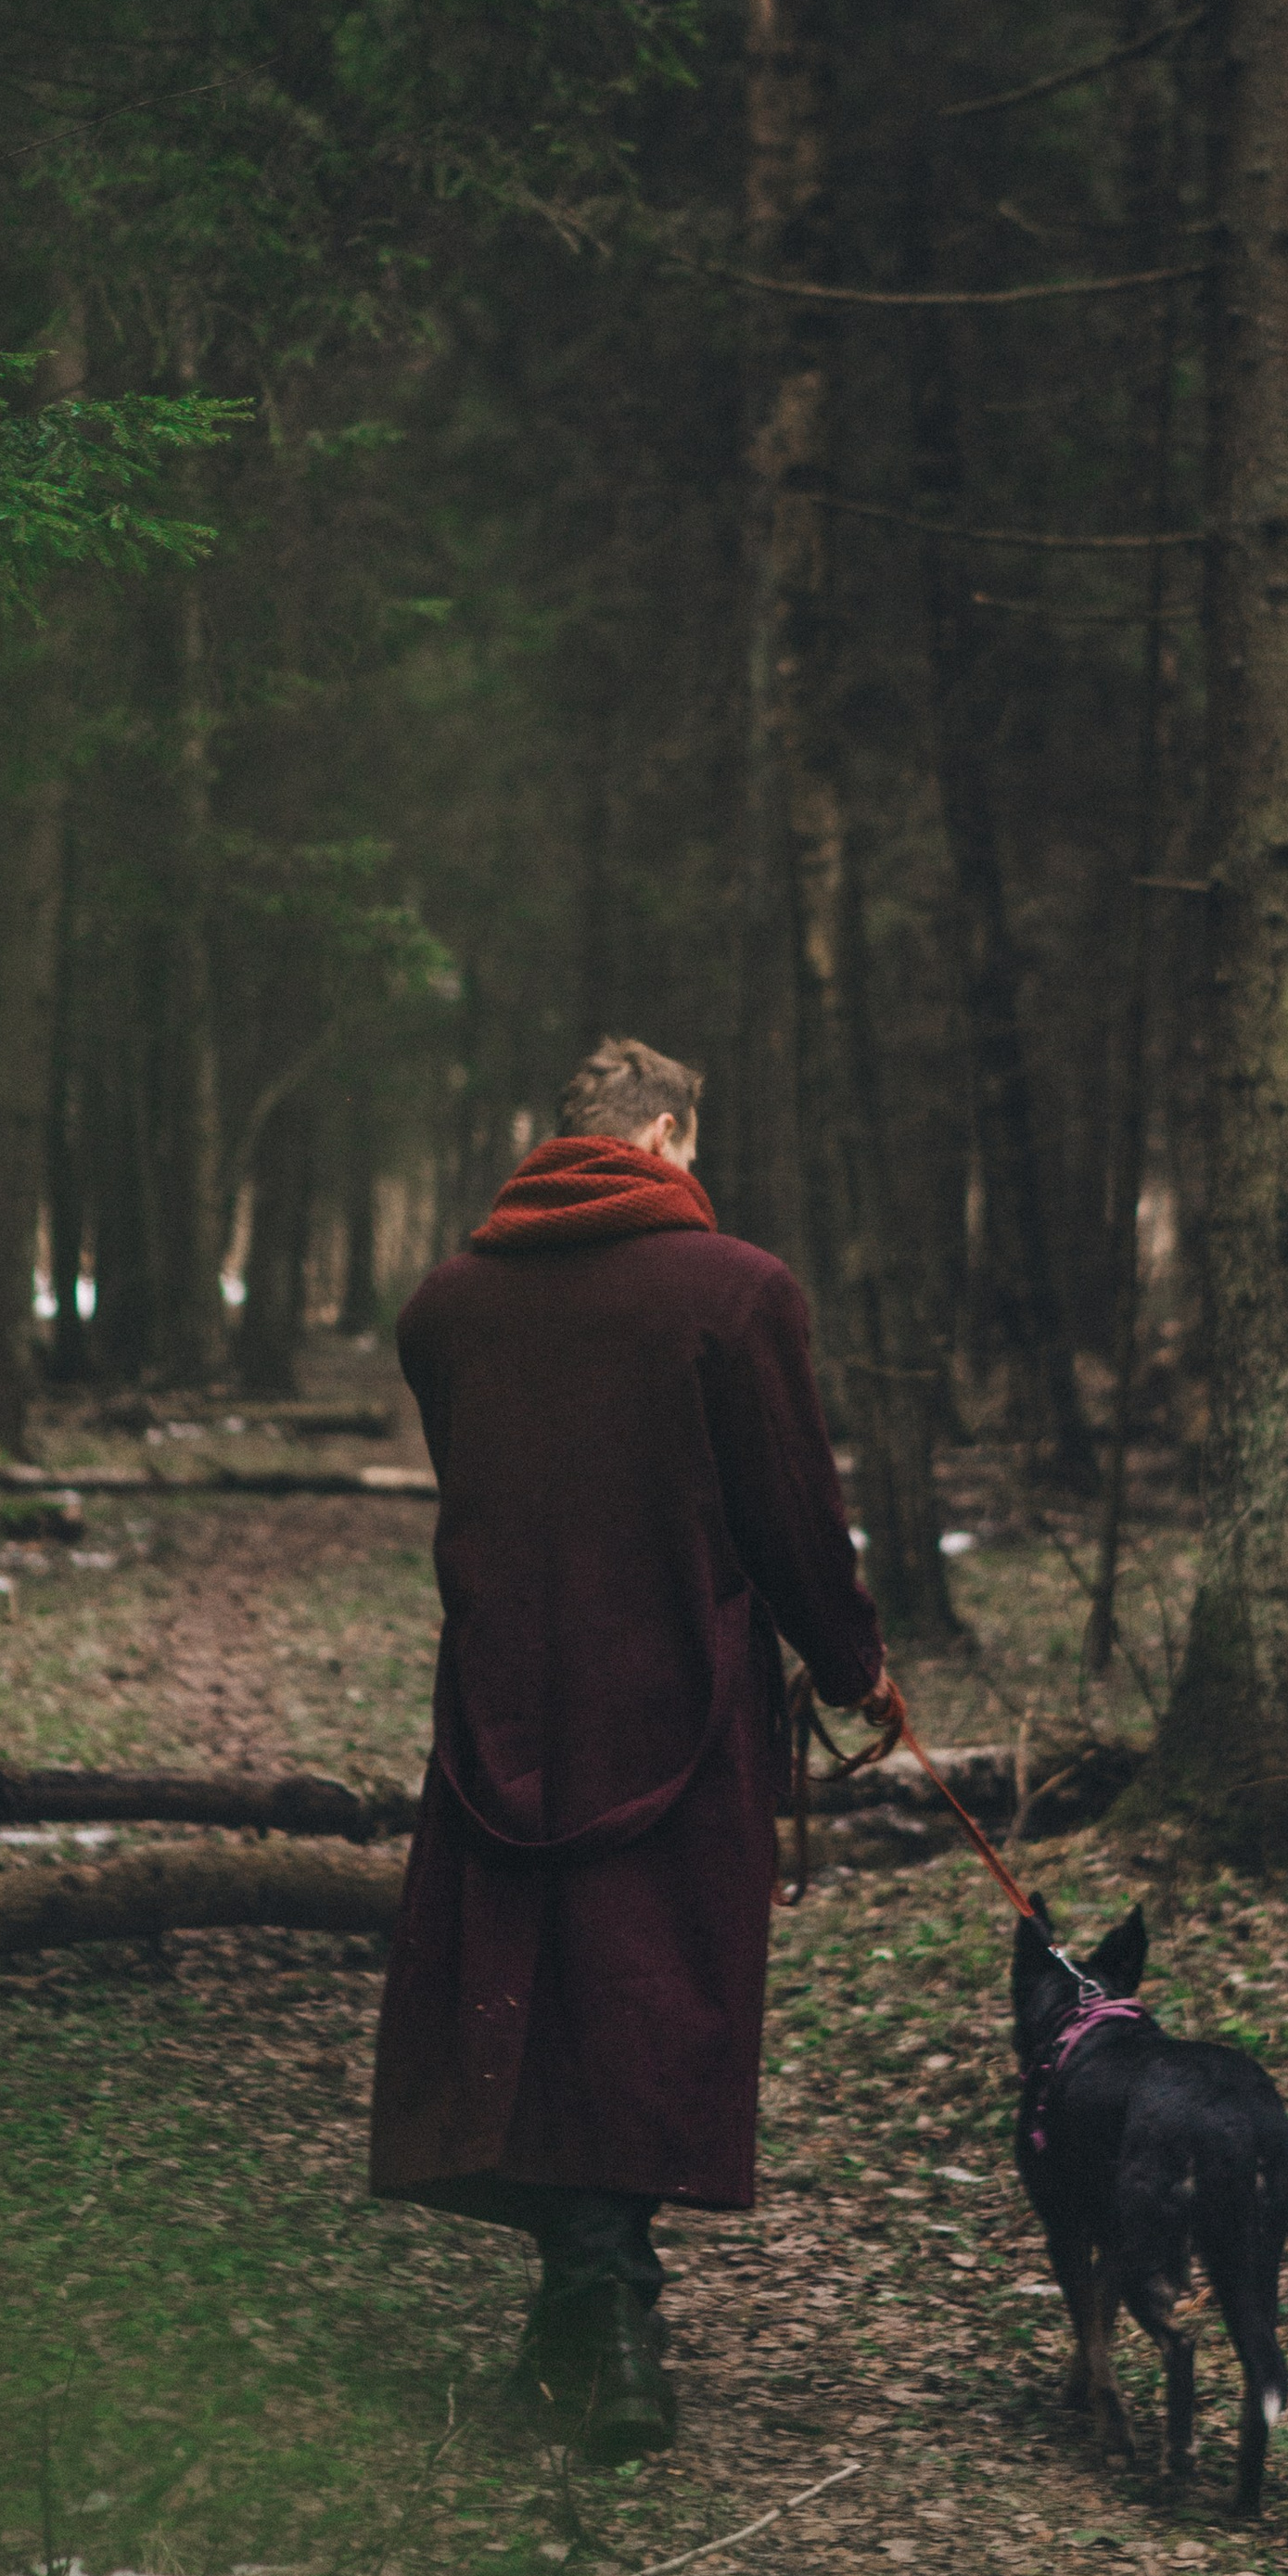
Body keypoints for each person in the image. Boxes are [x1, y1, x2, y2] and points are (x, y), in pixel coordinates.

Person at [369, 1033, 893, 2458]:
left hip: (504, 1709)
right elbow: (789, 1508)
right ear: (662, 1137)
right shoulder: (736, 1294)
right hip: (679, 1700)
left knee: (534, 2008)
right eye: (692, 1145)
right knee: (643, 2006)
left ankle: (582, 2316)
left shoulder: (447, 1308)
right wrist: (853, 1669)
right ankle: (613, 2323)